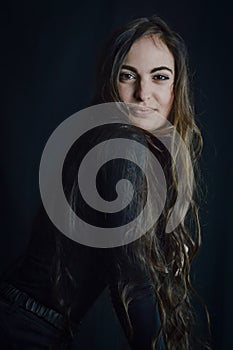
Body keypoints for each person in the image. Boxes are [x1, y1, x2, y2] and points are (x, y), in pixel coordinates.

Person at [0, 15, 210, 350]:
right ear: (110, 81)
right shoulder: (119, 145)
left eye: (159, 77)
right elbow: (133, 281)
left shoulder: (128, 149)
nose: (144, 94)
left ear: (176, 87)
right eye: (128, 76)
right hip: (22, 331)